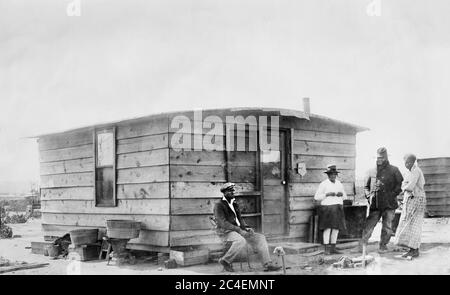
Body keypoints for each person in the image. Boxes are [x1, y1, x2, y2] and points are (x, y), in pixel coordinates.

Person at [213, 182, 281, 272]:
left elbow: (239, 219)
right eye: (230, 191)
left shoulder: (234, 204)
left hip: (238, 231)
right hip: (226, 232)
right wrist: (239, 230)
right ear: (224, 193)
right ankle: (225, 260)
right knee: (240, 240)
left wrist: (246, 228)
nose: (233, 193)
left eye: (233, 191)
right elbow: (222, 223)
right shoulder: (219, 205)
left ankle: (267, 264)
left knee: (260, 237)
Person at [359, 147, 404, 253]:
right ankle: (362, 245)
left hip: (389, 204)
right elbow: (366, 187)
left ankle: (383, 245)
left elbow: (399, 185)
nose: (379, 160)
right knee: (369, 225)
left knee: (387, 226)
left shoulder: (394, 170)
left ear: (386, 158)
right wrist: (369, 197)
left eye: (382, 158)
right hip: (375, 204)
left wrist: (392, 194)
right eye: (378, 157)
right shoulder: (371, 171)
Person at [394, 154, 426, 258]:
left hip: (417, 199)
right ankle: (411, 249)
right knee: (408, 224)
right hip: (409, 199)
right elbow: (404, 184)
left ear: (413, 162)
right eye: (405, 162)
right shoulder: (408, 172)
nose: (406, 164)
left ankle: (414, 250)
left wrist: (405, 187)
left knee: (415, 225)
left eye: (408, 162)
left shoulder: (416, 171)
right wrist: (405, 187)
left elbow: (410, 186)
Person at [314, 164, 348, 255]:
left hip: (337, 207)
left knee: (336, 228)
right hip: (327, 208)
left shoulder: (339, 183)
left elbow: (345, 196)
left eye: (334, 174)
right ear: (328, 175)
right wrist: (327, 194)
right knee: (327, 228)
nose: (333, 176)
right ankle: (326, 249)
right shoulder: (323, 184)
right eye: (331, 174)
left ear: (336, 175)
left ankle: (333, 248)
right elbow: (316, 197)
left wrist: (341, 194)